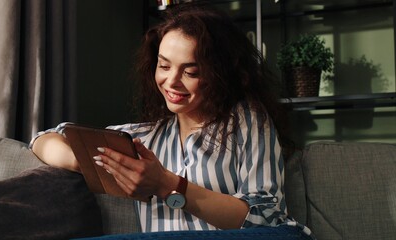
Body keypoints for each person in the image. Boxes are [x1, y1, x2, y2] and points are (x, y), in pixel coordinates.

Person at [31, 3, 313, 239]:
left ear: (220, 75)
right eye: (164, 66)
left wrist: (165, 184)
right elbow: (43, 139)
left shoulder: (245, 119)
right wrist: (86, 160)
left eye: (190, 72)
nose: (172, 82)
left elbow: (267, 218)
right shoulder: (146, 137)